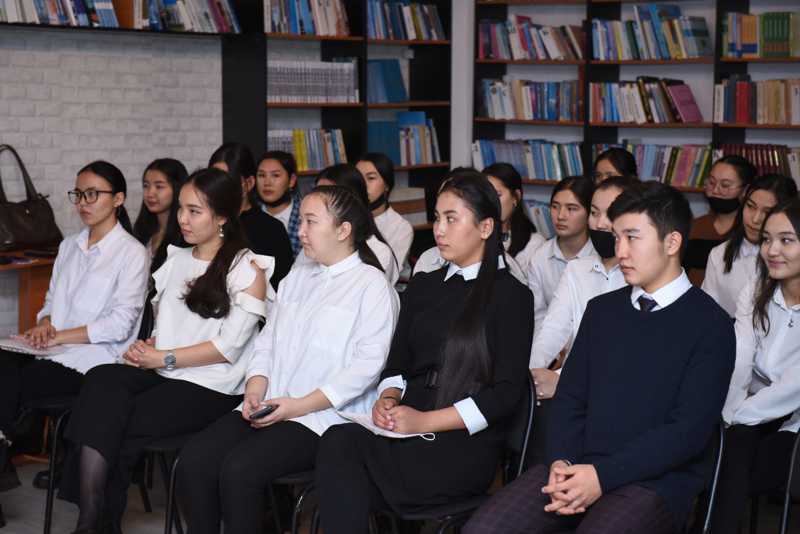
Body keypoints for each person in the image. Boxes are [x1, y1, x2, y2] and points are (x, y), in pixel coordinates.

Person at [464, 182, 736, 534]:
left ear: (671, 243)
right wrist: (561, 461)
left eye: (632, 238)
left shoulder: (711, 325)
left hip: (653, 481)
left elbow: (688, 431)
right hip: (576, 465)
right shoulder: (602, 310)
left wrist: (601, 477)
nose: (620, 251)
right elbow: (570, 398)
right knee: (484, 528)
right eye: (616, 237)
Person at [314, 172, 534, 534]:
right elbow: (397, 363)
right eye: (436, 217)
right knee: (338, 446)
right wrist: (388, 397)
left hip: (460, 441)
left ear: (485, 227)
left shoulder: (511, 295)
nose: (439, 229)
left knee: (343, 474)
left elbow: (505, 395)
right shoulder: (424, 284)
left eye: (452, 219)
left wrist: (425, 422)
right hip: (405, 425)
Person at [59, 168, 272, 533]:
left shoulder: (248, 269)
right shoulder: (176, 259)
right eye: (181, 209)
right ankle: (92, 519)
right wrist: (150, 347)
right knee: (102, 380)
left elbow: (228, 349)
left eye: (194, 211)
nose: (182, 219)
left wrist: (164, 357)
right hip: (166, 372)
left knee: (113, 422)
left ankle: (93, 522)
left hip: (213, 386)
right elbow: (166, 329)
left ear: (222, 217)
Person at [177, 185, 399, 533]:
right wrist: (255, 388)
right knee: (194, 461)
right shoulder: (297, 277)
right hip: (269, 403)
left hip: (324, 418)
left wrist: (297, 406)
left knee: (240, 470)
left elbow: (365, 369)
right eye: (302, 221)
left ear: (343, 230)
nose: (300, 231)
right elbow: (266, 342)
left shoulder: (372, 286)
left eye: (311, 222)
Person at [0, 161, 149, 494]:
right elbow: (51, 302)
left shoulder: (132, 253)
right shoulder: (69, 246)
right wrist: (44, 324)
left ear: (118, 199)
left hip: (93, 362)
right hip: (52, 350)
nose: (83, 202)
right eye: (78, 194)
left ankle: (4, 452)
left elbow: (119, 325)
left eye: (93, 194)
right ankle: (4, 450)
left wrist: (56, 335)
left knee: (10, 383)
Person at [713, 198, 800, 532]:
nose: (772, 250)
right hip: (750, 405)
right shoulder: (756, 290)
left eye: (786, 240)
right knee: (725, 453)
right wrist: (729, 412)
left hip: (794, 418)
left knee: (739, 464)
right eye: (766, 239)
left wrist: (738, 417)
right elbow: (740, 357)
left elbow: (793, 387)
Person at [529, 176, 639, 401]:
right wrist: (532, 374)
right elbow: (552, 330)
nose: (600, 224)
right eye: (594, 213)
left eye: (610, 214)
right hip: (572, 389)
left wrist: (560, 379)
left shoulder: (639, 275)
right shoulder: (576, 269)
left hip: (618, 391)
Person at [702, 174, 798, 318]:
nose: (755, 219)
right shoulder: (719, 254)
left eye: (767, 212)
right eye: (751, 206)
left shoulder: (789, 259)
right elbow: (706, 310)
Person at [209, 143, 294, 288]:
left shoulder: (271, 229)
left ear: (248, 183)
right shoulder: (204, 220)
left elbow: (281, 285)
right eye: (212, 178)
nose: (216, 186)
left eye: (225, 179)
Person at [528, 176, 596, 340]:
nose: (561, 216)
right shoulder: (540, 258)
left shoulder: (600, 256)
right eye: (555, 207)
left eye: (571, 208)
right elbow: (537, 317)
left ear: (590, 213)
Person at [314, 163, 399, 285]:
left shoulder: (379, 251)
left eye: (327, 196)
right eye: (316, 194)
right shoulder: (313, 241)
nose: (316, 204)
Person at [686, 155, 756, 286]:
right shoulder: (694, 226)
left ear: (745, 190)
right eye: (711, 183)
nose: (715, 190)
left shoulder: (752, 231)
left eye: (725, 185)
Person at [484, 162, 546, 275]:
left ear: (516, 197)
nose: (491, 202)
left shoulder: (535, 244)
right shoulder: (475, 237)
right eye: (486, 196)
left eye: (497, 195)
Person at [357, 153, 414, 269]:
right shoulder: (347, 217)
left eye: (371, 178)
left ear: (387, 185)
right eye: (358, 178)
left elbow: (388, 272)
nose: (362, 184)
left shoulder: (401, 227)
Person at [132, 158, 188, 272]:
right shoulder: (142, 232)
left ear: (177, 188)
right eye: (146, 186)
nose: (150, 193)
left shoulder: (186, 235)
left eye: (159, 187)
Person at [255, 150, 302, 257]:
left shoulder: (305, 215)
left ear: (291, 180)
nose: (267, 183)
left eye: (275, 175)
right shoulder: (248, 214)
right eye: (261, 175)